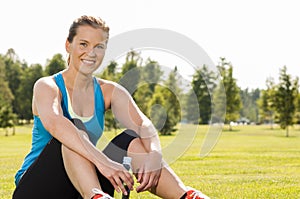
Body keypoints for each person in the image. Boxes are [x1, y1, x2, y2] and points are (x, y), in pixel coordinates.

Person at [12, 15, 210, 199]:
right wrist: (104, 162)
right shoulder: (47, 86)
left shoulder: (108, 90)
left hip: (82, 184)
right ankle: (96, 195)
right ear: (68, 45)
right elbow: (55, 124)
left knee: (132, 139)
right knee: (73, 129)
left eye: (99, 46)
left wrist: (154, 156)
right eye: (83, 44)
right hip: (38, 188)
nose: (91, 53)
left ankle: (185, 195)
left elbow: (143, 124)